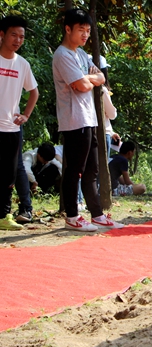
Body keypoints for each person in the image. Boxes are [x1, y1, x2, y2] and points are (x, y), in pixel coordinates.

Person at [53, 9, 124, 231]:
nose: (85, 35)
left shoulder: (81, 55)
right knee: (75, 169)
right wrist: (88, 79)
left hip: (89, 119)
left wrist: (88, 78)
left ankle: (97, 215)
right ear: (68, 29)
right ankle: (72, 217)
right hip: (73, 120)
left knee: (92, 169)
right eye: (81, 30)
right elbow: (83, 85)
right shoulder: (62, 55)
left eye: (87, 30)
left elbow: (101, 77)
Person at [0, 15, 39, 231]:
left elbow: (34, 92)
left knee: (8, 174)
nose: (18, 40)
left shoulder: (22, 64)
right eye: (13, 34)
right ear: (2, 34)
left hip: (11, 127)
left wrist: (25, 115)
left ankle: (3, 216)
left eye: (22, 36)